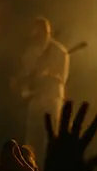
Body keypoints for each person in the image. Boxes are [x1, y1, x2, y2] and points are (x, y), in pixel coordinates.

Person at [15, 17, 69, 155]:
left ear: (46, 31)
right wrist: (22, 85)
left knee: (50, 136)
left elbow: (61, 78)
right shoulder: (30, 52)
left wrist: (47, 75)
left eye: (38, 31)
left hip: (51, 99)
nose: (35, 34)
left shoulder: (59, 51)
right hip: (35, 98)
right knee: (32, 137)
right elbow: (26, 74)